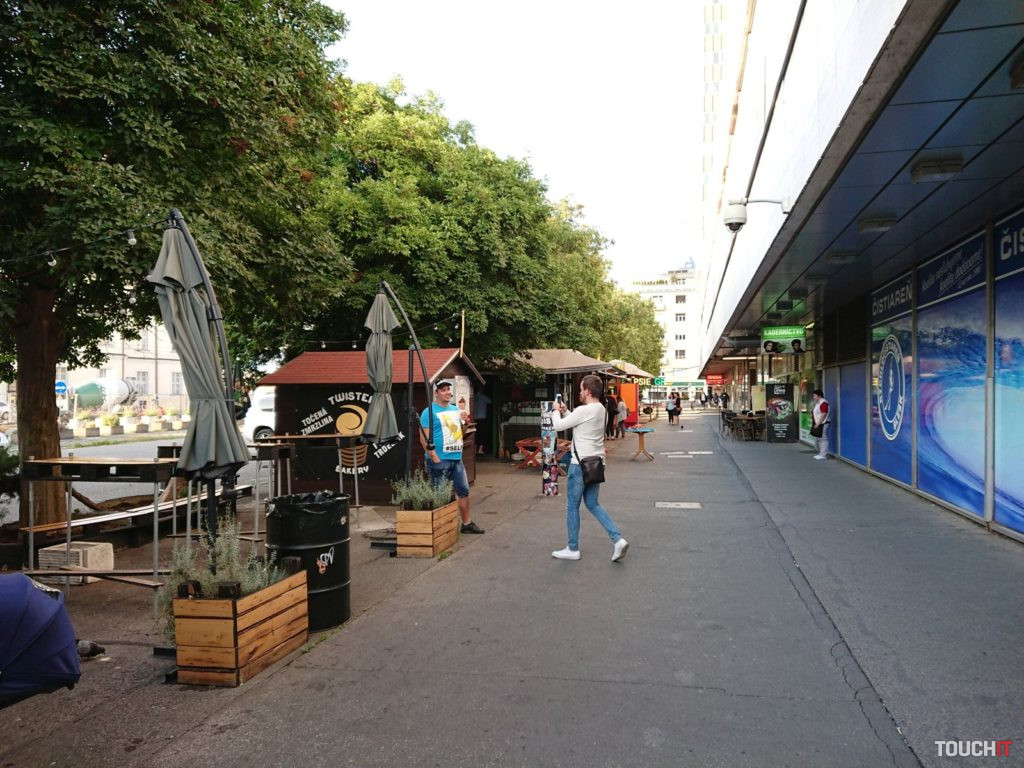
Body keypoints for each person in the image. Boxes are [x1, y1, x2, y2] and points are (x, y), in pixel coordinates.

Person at [549, 374, 628, 562]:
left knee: (572, 506)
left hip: (579, 466)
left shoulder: (584, 410)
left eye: (581, 389)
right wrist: (566, 411)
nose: (580, 392)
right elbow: (580, 424)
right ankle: (617, 539)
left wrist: (555, 410)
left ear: (587, 390)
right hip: (596, 465)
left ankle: (572, 548)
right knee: (593, 504)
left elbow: (558, 426)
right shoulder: (602, 410)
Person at [419, 379, 484, 533]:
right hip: (439, 459)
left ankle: (466, 524)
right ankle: (440, 529)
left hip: (456, 458)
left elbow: (460, 434)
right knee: (440, 495)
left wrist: (465, 424)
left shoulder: (455, 409)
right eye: (443, 390)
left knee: (464, 491)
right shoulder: (428, 412)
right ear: (436, 393)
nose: (447, 392)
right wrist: (434, 457)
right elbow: (423, 438)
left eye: (448, 389)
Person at [811, 388, 830, 460]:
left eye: (814, 396)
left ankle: (823, 455)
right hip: (820, 423)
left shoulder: (823, 403)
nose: (813, 397)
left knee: (823, 438)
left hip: (823, 423)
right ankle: (821, 453)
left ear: (819, 396)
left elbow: (823, 414)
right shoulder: (818, 403)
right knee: (819, 438)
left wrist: (818, 424)